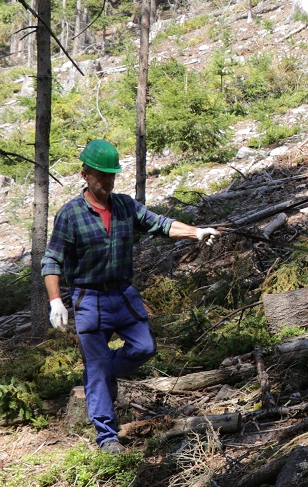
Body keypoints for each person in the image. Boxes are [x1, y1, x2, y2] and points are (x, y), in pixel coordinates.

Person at [41, 139, 222, 454]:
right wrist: (56, 301)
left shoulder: (125, 206)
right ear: (85, 174)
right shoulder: (70, 215)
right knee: (96, 369)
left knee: (143, 347)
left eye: (112, 175)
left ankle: (99, 371)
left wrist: (196, 231)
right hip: (89, 299)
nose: (108, 181)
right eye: (101, 175)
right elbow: (52, 260)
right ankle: (107, 437)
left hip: (123, 294)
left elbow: (160, 224)